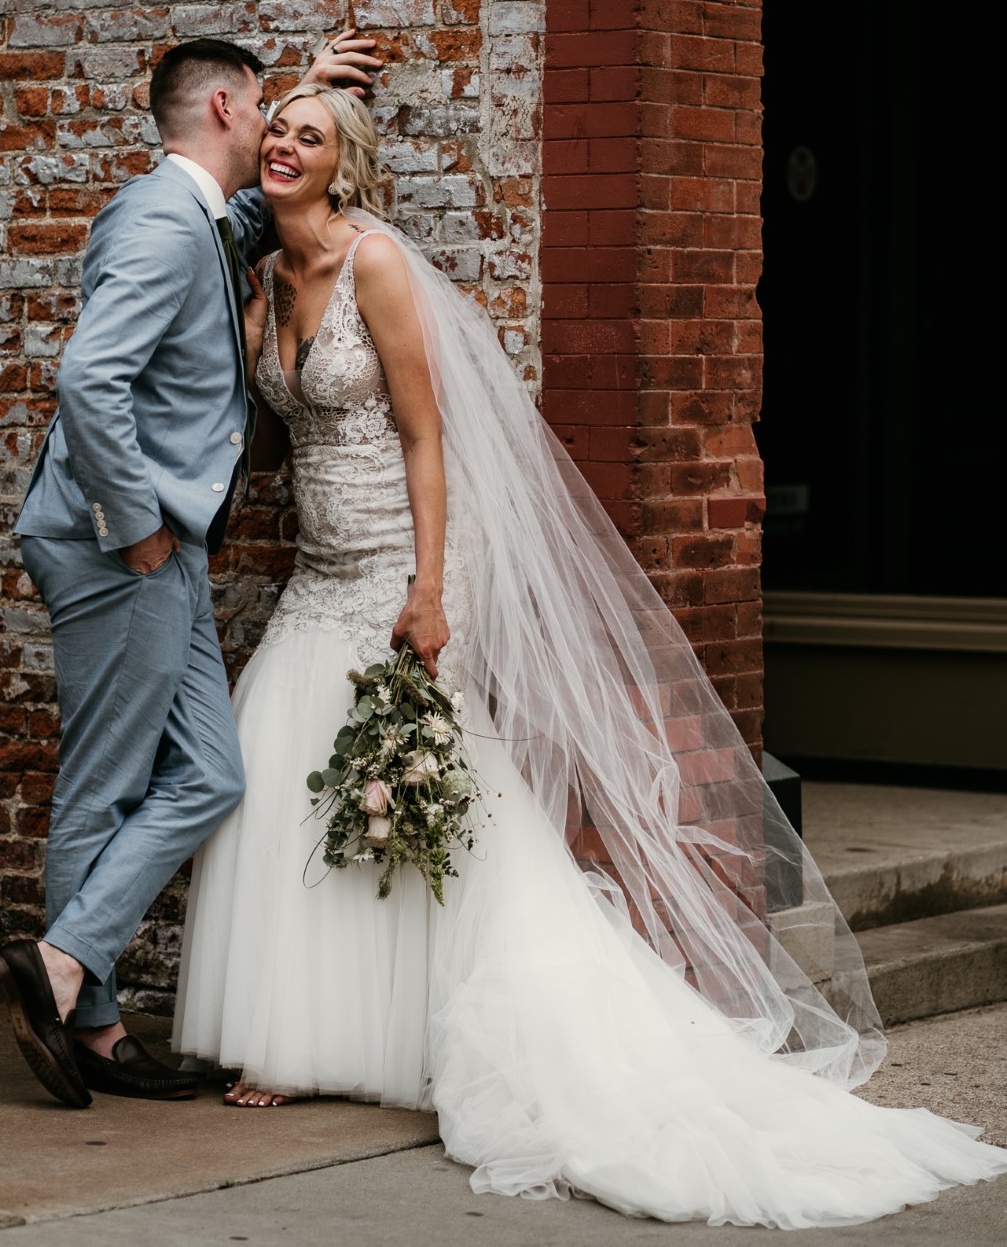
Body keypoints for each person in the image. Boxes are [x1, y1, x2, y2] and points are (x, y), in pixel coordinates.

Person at [173, 85, 1007, 1224]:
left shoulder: (378, 266)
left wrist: (429, 588)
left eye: (308, 135)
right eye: (274, 129)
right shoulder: (266, 278)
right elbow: (277, 433)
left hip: (405, 566)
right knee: (282, 775)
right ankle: (306, 1037)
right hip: (319, 567)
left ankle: (445, 1036)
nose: (282, 145)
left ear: (343, 166)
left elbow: (425, 434)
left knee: (425, 796)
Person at [0, 33, 379, 1108]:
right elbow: (90, 378)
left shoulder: (193, 214)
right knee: (106, 780)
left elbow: (246, 220)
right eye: (266, 107)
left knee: (208, 772)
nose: (274, 127)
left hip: (162, 545)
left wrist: (318, 86)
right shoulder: (165, 220)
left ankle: (62, 971)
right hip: (121, 544)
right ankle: (90, 1023)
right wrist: (137, 528)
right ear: (223, 107)